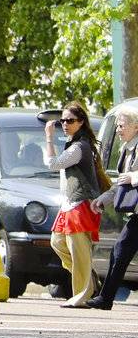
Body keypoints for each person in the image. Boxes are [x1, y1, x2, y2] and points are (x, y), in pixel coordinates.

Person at [46, 101, 103, 308]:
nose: (65, 124)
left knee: (79, 252)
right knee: (57, 242)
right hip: (69, 204)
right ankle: (90, 278)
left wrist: (49, 138)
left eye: (70, 120)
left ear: (81, 122)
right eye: (63, 120)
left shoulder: (80, 146)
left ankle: (82, 296)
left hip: (81, 205)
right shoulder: (73, 143)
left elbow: (53, 164)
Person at [88, 105, 138, 311]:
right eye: (117, 125)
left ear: (136, 126)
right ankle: (105, 298)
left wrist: (134, 177)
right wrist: (103, 199)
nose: (118, 129)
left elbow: (129, 179)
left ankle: (105, 298)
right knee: (120, 250)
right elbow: (120, 184)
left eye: (122, 125)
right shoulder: (125, 149)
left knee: (121, 250)